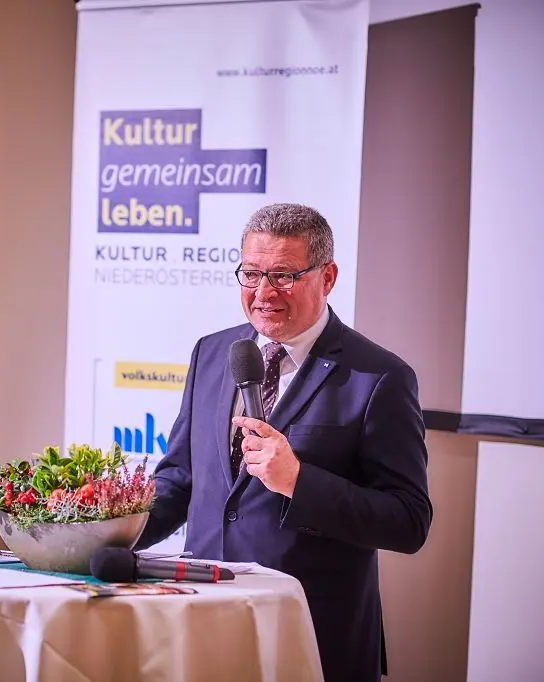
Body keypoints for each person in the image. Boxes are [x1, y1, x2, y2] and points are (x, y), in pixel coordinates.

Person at [134, 203, 433, 682]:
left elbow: (408, 521)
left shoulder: (379, 377)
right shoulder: (213, 351)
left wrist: (298, 481)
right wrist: (97, 537)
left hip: (310, 634)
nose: (263, 293)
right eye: (251, 274)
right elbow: (180, 479)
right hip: (200, 620)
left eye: (283, 276)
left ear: (327, 277)